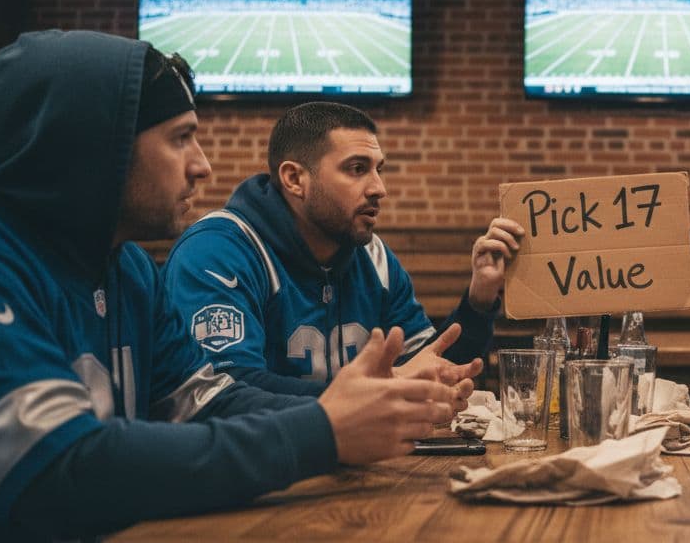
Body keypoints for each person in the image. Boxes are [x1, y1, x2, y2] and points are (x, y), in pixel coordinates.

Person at [0, 31, 464, 543]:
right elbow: (58, 472)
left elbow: (206, 401)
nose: (202, 167)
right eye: (181, 139)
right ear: (98, 145)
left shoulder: (125, 268)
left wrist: (358, 407)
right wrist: (322, 431)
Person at [160, 101, 525, 396]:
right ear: (294, 179)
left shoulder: (374, 256)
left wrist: (479, 300)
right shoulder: (217, 251)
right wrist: (388, 388)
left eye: (378, 169)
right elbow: (226, 390)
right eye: (357, 169)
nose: (378, 188)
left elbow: (432, 368)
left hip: (350, 463)